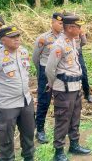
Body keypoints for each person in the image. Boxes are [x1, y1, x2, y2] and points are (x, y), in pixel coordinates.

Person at [46, 15, 91, 161]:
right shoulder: (58, 45)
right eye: (79, 26)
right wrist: (54, 86)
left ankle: (74, 144)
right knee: (62, 120)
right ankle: (58, 151)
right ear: (70, 28)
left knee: (75, 118)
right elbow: (49, 69)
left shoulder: (72, 41)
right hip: (64, 89)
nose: (81, 29)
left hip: (75, 87)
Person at [0, 25, 35, 161]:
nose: (17, 39)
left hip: (26, 102)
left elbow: (26, 75)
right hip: (7, 105)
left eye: (18, 36)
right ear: (3, 40)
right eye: (12, 37)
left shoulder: (24, 52)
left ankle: (29, 158)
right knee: (6, 140)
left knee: (29, 135)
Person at [32, 12, 64, 144]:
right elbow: (35, 57)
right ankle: (40, 130)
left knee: (61, 101)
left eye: (63, 23)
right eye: (59, 23)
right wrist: (41, 72)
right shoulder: (43, 38)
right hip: (45, 73)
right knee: (44, 101)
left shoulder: (64, 37)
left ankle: (61, 129)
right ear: (52, 23)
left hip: (60, 73)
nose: (62, 25)